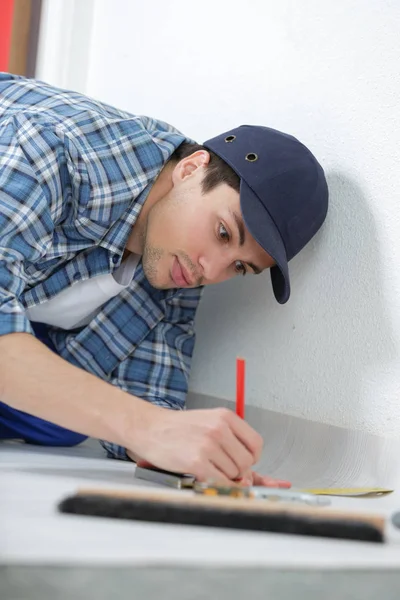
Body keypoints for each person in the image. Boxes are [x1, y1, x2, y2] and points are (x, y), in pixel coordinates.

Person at [0, 73, 328, 487]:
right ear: (192, 169)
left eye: (240, 267)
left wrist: (197, 456)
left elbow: (148, 397)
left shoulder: (175, 266)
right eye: (224, 233)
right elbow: (141, 421)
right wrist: (145, 426)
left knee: (67, 420)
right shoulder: (50, 149)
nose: (210, 271)